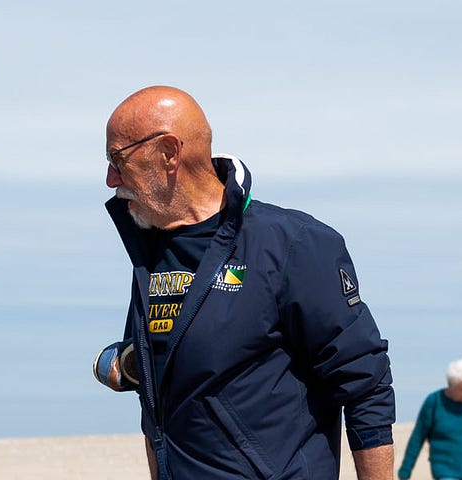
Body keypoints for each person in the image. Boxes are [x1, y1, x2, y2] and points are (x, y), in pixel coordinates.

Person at [90, 86, 395, 480]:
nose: (111, 178)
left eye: (118, 159)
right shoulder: (151, 255)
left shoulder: (291, 244)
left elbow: (365, 385)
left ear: (168, 153)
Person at [397, 359, 462, 480]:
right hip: (446, 473)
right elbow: (417, 438)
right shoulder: (434, 402)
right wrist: (405, 470)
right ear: (450, 385)